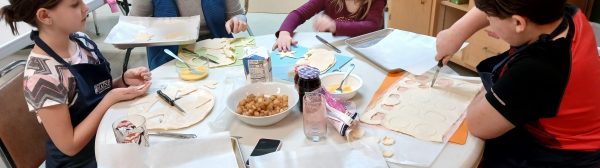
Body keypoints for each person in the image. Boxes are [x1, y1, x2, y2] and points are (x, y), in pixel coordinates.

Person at [437, 0, 600, 166]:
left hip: (564, 154)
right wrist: (455, 32)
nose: (488, 23)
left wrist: (486, 95)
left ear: (518, 22)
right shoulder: (566, 13)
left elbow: (477, 124)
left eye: (490, 18)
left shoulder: (539, 67)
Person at [0, 0, 152, 167]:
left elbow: (98, 94)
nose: (85, 8)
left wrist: (122, 82)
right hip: (79, 161)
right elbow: (70, 146)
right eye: (74, 5)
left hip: (106, 138)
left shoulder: (82, 42)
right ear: (45, 15)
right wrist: (109, 100)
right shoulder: (42, 77)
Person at [130, 0, 249, 69]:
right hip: (169, 55)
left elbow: (238, 15)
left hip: (217, 51)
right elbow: (132, 25)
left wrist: (238, 19)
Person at [273, 0, 386, 51]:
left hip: (366, 50)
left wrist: (335, 26)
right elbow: (299, 14)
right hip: (335, 49)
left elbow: (372, 26)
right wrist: (284, 33)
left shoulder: (377, 1)